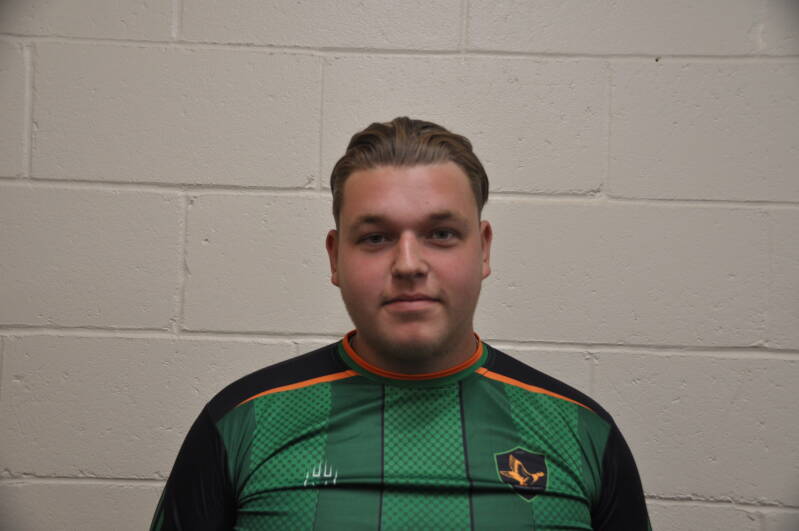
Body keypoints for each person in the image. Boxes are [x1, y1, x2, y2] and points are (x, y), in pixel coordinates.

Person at [150, 117, 651, 530]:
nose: (409, 264)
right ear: (335, 257)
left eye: (441, 233)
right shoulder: (243, 423)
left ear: (483, 250)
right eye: (375, 238)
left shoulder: (581, 431)